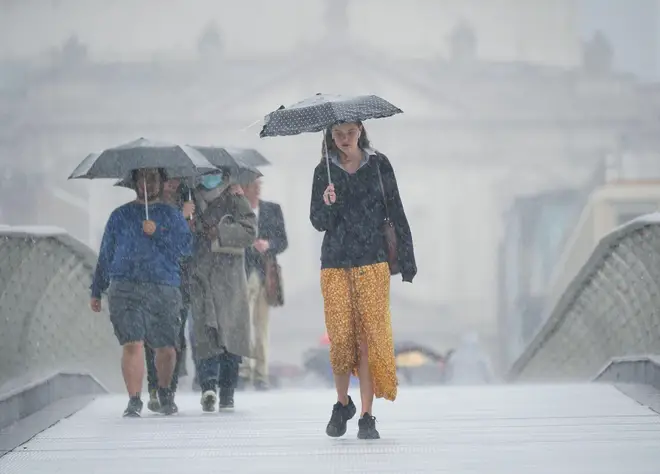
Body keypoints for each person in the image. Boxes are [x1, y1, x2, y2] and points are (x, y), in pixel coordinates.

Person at [309, 121, 416, 439]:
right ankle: (343, 404)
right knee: (340, 339)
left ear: (360, 131)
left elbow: (395, 210)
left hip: (372, 260)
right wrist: (328, 203)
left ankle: (367, 415)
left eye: (350, 133)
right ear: (330, 136)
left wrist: (407, 259)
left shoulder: (379, 165)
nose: (344, 139)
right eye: (337, 134)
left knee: (369, 338)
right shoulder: (323, 172)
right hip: (335, 262)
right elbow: (317, 221)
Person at [90, 168, 192, 417]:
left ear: (162, 182)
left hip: (163, 286)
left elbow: (186, 248)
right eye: (142, 178)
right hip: (125, 285)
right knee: (132, 344)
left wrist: (157, 231)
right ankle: (134, 400)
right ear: (134, 182)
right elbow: (106, 253)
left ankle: (165, 391)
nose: (147, 184)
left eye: (153, 178)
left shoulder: (172, 216)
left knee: (166, 347)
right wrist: (97, 288)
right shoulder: (119, 216)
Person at [189, 172, 257, 411]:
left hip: (229, 276)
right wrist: (189, 222)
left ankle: (228, 390)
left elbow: (250, 232)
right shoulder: (189, 196)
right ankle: (208, 385)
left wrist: (221, 233)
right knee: (204, 330)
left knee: (231, 333)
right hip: (200, 273)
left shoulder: (235, 198)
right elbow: (182, 234)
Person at [144, 178, 195, 412]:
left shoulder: (189, 208)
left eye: (176, 182)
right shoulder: (146, 211)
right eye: (167, 181)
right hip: (152, 279)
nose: (171, 186)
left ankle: (168, 391)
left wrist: (186, 221)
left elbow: (185, 248)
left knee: (175, 337)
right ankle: (154, 387)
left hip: (180, 281)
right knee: (150, 337)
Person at [239, 177, 288, 391]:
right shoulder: (237, 211)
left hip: (266, 273)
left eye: (259, 185)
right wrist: (249, 244)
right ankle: (244, 369)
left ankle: (261, 373)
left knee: (262, 325)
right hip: (243, 272)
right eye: (253, 185)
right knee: (244, 323)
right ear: (244, 188)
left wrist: (268, 244)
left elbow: (282, 241)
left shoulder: (272, 209)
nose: (257, 189)